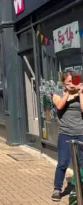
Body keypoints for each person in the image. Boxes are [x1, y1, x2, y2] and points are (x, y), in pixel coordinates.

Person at [51, 72, 83, 201]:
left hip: (81, 132)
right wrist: (68, 93)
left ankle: (79, 188)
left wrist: (80, 93)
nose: (71, 84)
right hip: (65, 133)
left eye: (73, 81)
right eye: (68, 82)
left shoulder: (81, 92)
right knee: (63, 162)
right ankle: (57, 189)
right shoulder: (58, 93)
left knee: (82, 163)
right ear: (63, 82)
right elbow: (59, 106)